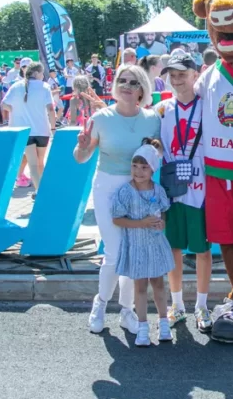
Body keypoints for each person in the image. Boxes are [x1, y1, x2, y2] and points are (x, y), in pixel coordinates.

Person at [75, 63, 160, 336]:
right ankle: (100, 304)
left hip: (139, 190)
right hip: (108, 188)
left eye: (134, 82)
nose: (127, 86)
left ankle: (126, 310)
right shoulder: (101, 118)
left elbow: (157, 154)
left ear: (142, 90)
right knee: (114, 252)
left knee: (133, 253)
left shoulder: (152, 119)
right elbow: (81, 158)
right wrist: (82, 146)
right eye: (122, 80)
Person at [155, 50, 213, 332]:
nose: (177, 80)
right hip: (173, 188)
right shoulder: (162, 109)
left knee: (202, 249)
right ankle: (176, 305)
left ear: (195, 75)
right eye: (172, 75)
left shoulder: (208, 106)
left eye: (182, 75)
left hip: (202, 189)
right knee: (173, 248)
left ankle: (202, 306)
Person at [108, 139, 175, 347]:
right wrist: (141, 223)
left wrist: (161, 223)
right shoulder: (125, 192)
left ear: (153, 168)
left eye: (144, 167)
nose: (138, 171)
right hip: (136, 246)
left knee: (158, 284)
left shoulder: (158, 191)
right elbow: (117, 219)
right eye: (135, 166)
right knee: (140, 287)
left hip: (155, 245)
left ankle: (164, 323)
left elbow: (164, 211)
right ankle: (143, 326)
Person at [1, 61, 56, 197]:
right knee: (40, 162)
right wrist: (53, 127)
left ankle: (40, 191)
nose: (43, 76)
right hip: (42, 129)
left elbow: (4, 104)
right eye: (42, 73)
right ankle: (42, 189)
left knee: (33, 163)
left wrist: (15, 110)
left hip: (25, 131)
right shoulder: (45, 87)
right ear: (36, 73)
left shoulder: (16, 86)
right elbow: (51, 109)